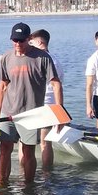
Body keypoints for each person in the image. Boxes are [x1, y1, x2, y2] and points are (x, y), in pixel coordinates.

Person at [0, 22, 62, 184]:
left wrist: (60, 113)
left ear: (29, 38)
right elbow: (3, 85)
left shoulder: (42, 57)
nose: (18, 44)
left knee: (28, 151)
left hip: (31, 114)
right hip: (8, 112)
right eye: (15, 40)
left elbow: (56, 84)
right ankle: (2, 184)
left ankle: (28, 187)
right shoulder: (6, 58)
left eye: (21, 40)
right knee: (4, 149)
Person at [28, 28, 64, 170]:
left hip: (44, 106)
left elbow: (57, 86)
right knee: (45, 142)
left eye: (31, 43)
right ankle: (46, 174)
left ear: (40, 43)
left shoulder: (43, 60)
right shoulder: (55, 60)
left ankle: (41, 173)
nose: (29, 46)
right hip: (48, 106)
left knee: (37, 143)